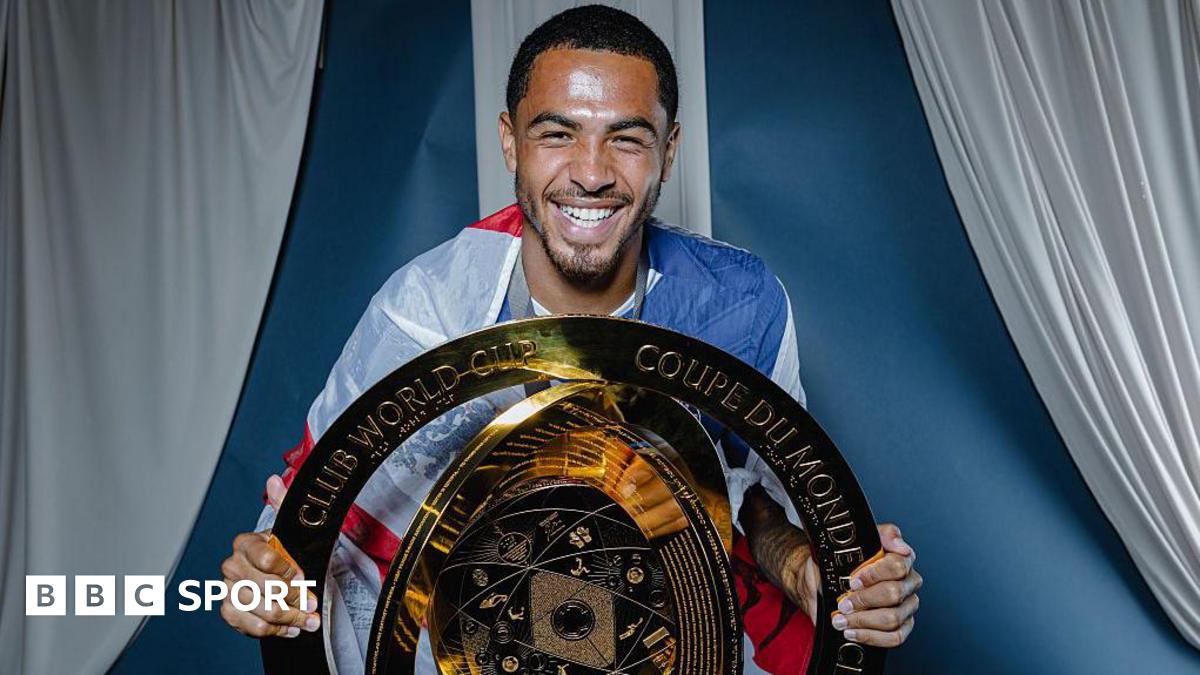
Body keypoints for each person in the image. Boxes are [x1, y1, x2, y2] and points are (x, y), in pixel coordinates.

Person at [219, 6, 921, 673]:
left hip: (677, 639)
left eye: (627, 137)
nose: (591, 171)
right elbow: (317, 504)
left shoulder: (740, 305)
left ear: (668, 151)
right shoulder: (430, 309)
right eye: (557, 134)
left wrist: (819, 572)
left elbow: (764, 503)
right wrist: (267, 579)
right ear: (509, 142)